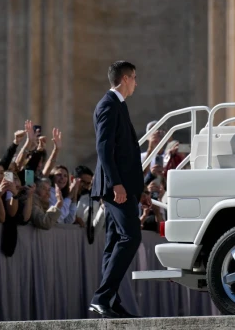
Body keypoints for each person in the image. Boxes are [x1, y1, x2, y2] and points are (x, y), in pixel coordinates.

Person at [89, 61, 143, 319]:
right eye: (134, 78)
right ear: (124, 78)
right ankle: (101, 297)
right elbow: (103, 149)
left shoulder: (118, 105)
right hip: (115, 187)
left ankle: (109, 299)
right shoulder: (108, 105)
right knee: (130, 237)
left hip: (122, 186)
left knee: (113, 244)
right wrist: (116, 184)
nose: (136, 83)